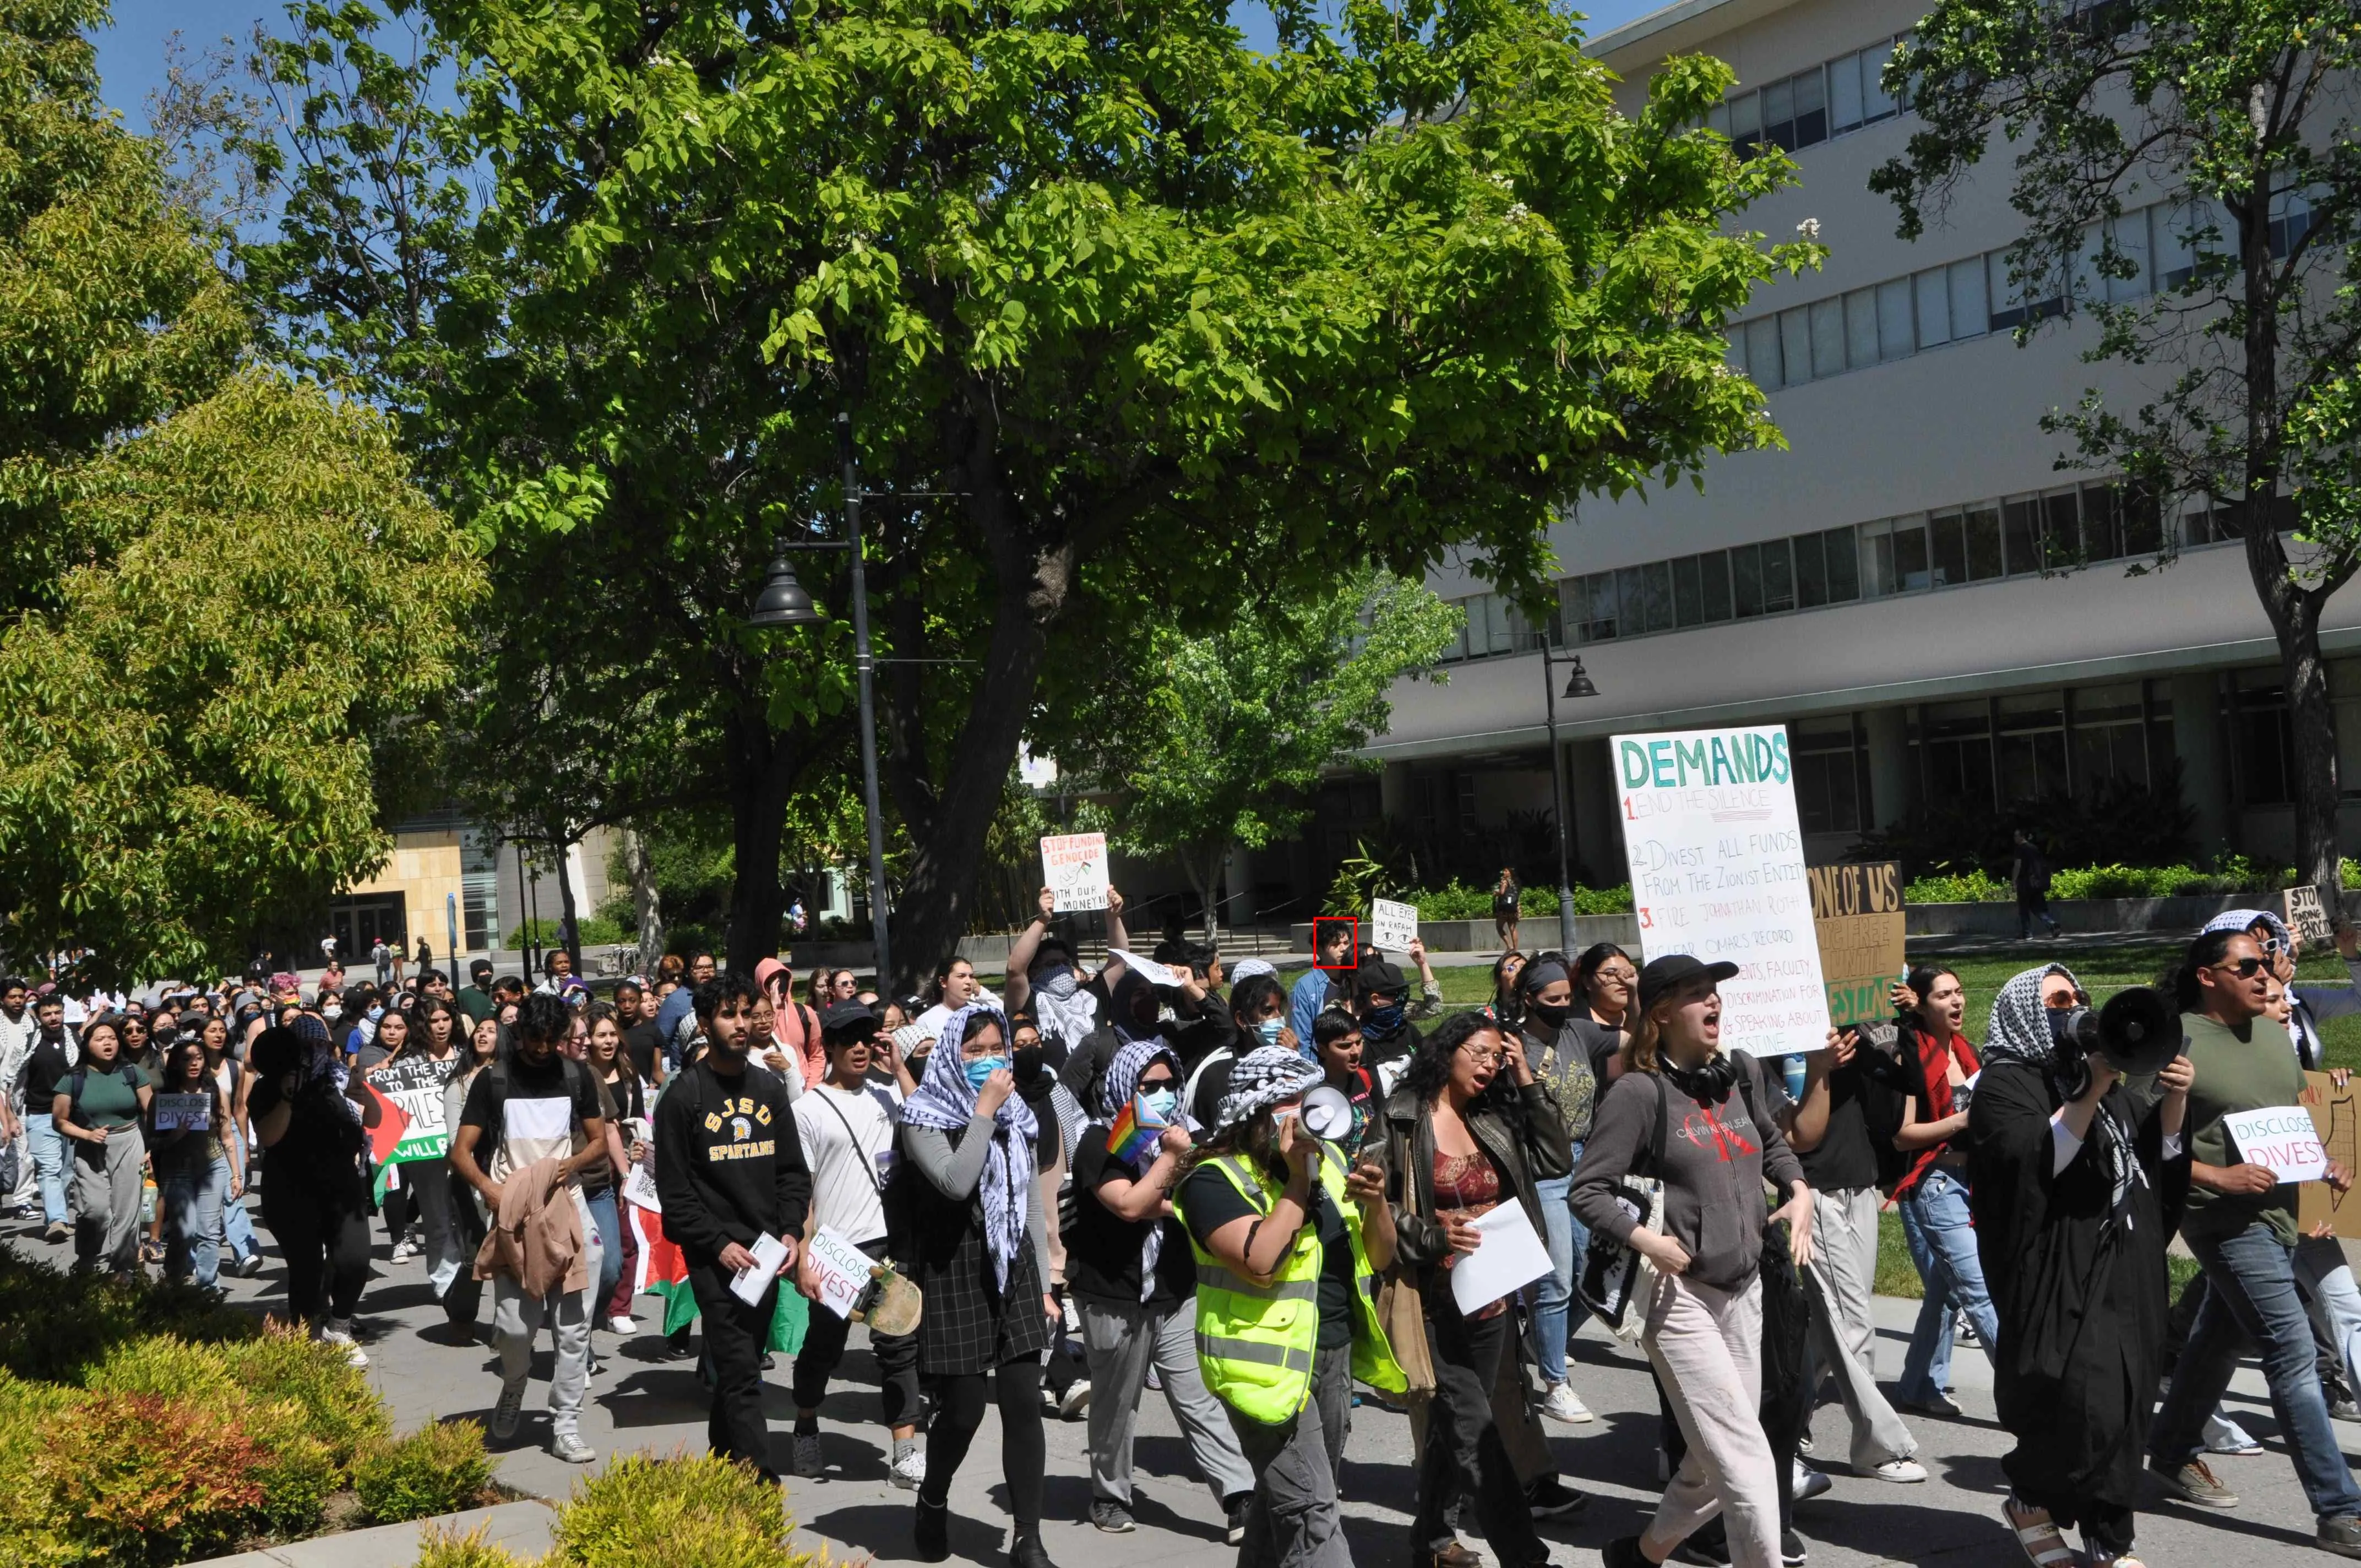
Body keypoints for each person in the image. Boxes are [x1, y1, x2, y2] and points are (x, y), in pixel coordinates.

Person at [1571, 954, 1815, 1568]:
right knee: (1746, 1456)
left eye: (1715, 992)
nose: (1714, 1002)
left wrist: (1798, 1189)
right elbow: (1587, 1190)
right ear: (1660, 1012)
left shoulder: (1737, 1074)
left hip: (1745, 1286)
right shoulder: (1637, 1092)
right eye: (1698, 994)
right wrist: (1645, 1240)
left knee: (1712, 1463)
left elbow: (1771, 1142)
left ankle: (1641, 1556)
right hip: (1676, 1294)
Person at [1951, 962, 2188, 1567]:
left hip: (2125, 1265)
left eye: (2076, 995)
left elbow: (2151, 1166)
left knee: (2130, 1404)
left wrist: (2174, 1101)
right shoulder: (2005, 1085)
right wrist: (2089, 1092)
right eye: (2058, 999)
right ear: (2027, 1010)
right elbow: (2032, 1167)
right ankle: (2033, 1499)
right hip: (2059, 1268)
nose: (2073, 1005)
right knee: (2081, 1403)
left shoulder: (2104, 1084)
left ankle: (2108, 1538)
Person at [2145, 929, 2361, 1553]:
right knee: (2291, 1351)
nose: (2265, 975)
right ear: (2208, 976)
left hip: (2282, 1214)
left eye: (2266, 964)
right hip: (2221, 1219)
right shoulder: (2176, 1042)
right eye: (2248, 966)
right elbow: (2142, 1146)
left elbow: (2284, 1119)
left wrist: (2319, 1166)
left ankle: (2169, 1450)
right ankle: (2340, 1509)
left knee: (2220, 1336)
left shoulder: (2271, 1035)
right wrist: (2218, 1176)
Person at [1175, 1045, 1403, 1568]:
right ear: (1256, 1112)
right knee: (1312, 1514)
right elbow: (1260, 1262)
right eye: (1290, 1101)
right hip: (1263, 1373)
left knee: (1286, 1500)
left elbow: (1378, 1256)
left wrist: (1375, 1205)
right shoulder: (1214, 1179)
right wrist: (1299, 1183)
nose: (1306, 1113)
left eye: (1310, 1097)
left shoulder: (1333, 1160)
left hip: (1330, 1352)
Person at [1384, 1011, 1570, 1568]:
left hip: (1491, 1298)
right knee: (1477, 1435)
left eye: (1498, 1056)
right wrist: (1436, 1236)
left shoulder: (1493, 1114)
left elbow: (1555, 1158)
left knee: (1455, 1428)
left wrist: (1527, 1081)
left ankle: (1431, 1540)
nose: (1490, 1065)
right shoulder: (1402, 1116)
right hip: (1431, 1301)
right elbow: (1375, 1206)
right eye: (1480, 1053)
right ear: (1448, 1051)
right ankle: (1526, 1558)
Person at [895, 1004, 1060, 1567]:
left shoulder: (1017, 1114)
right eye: (974, 1051)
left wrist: (1044, 1282)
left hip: (1013, 1268)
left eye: (995, 1049)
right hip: (954, 1269)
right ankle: (933, 1496)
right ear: (950, 1055)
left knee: (1022, 1403)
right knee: (964, 1411)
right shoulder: (923, 1114)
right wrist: (984, 1110)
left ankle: (1028, 1538)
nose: (988, 1061)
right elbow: (955, 1181)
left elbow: (1028, 1201)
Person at [1070, 1038, 1255, 1538]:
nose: (1165, 1094)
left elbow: (1213, 1191)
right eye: (1150, 1086)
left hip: (1174, 1293)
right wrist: (1173, 1160)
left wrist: (1178, 1175)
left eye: (1171, 1083)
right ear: (1124, 1088)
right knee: (1116, 1404)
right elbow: (1129, 1205)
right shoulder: (1100, 1141)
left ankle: (1240, 1496)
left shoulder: (1190, 1133)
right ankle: (1110, 1496)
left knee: (1200, 1398)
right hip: (1114, 1296)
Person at [652, 972, 810, 1473]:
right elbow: (675, 1194)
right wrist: (718, 1244)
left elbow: (792, 1173)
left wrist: (791, 1232)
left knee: (737, 1367)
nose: (742, 1024)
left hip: (765, 1256)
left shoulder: (768, 1088)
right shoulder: (684, 1097)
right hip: (715, 1259)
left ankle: (721, 1468)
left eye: (747, 1013)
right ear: (704, 1023)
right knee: (742, 1370)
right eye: (728, 1015)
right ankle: (758, 1483)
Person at [449, 991, 610, 1464]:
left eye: (551, 1039)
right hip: (514, 1216)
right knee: (515, 1329)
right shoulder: (493, 1080)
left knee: (574, 1330)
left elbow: (599, 1142)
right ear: (518, 1033)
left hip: (568, 1208)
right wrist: (490, 1190)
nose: (542, 1048)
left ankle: (566, 1424)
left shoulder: (577, 1075)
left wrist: (570, 1166)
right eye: (534, 1038)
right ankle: (514, 1385)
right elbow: (460, 1152)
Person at [1784, 1011, 1926, 1484]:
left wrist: (1901, 1029)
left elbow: (1903, 1092)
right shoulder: (1779, 1041)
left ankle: (1781, 1420)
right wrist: (1819, 1067)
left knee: (1830, 1328)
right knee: (1852, 1323)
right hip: (1815, 1192)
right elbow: (1793, 1133)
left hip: (1860, 1183)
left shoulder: (1857, 1034)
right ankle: (1878, 1447)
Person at [787, 1000, 923, 1487]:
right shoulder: (807, 1110)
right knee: (824, 1348)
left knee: (898, 1345)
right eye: (849, 1040)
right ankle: (805, 1425)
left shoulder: (889, 1096)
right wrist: (803, 1259)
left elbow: (926, 1120)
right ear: (829, 1046)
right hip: (836, 1252)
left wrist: (900, 1067)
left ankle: (905, 1452)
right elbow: (801, 1192)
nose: (861, 1047)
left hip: (889, 1243)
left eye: (868, 1038)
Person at [1889, 967, 1999, 1416]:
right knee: (1980, 1291)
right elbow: (1902, 1136)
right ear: (1920, 1004)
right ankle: (2032, 1399)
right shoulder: (1909, 1055)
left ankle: (1919, 1385)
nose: (1957, 1001)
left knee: (1946, 1291)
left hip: (1972, 1181)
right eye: (1944, 995)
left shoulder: (1966, 1051)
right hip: (1934, 1185)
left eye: (1959, 991)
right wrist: (1960, 1122)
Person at [249, 1016, 382, 1362]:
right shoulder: (268, 1086)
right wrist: (287, 1097)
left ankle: (339, 1327)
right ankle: (305, 1338)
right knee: (306, 1269)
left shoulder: (339, 1079)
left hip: (342, 1188)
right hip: (291, 1190)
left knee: (355, 1260)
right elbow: (269, 1137)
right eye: (305, 1045)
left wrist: (363, 1094)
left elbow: (374, 1120)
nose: (314, 1051)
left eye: (320, 1043)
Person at [1514, 952, 1599, 1427]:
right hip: (1543, 1168)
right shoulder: (1514, 1046)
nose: (1564, 1005)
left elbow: (1638, 1036)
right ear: (1530, 999)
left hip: (1584, 1161)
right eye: (1553, 999)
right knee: (1557, 1279)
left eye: (1568, 996)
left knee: (1594, 1275)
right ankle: (1555, 1384)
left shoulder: (1578, 1033)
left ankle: (1538, 1340)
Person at [52, 1014, 151, 1278]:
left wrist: (152, 1148)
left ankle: (123, 1269)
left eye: (112, 1038)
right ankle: (86, 1260)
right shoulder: (73, 1078)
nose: (108, 1043)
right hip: (90, 1148)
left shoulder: (132, 1072)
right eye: (100, 1039)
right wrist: (86, 1135)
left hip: (130, 1142)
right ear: (87, 1045)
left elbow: (151, 1112)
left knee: (127, 1212)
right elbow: (59, 1121)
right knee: (95, 1211)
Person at [580, 1001, 643, 1339]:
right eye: (600, 1035)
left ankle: (620, 1308)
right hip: (589, 1169)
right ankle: (586, 1309)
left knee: (626, 1241)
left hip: (626, 1163)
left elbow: (638, 1120)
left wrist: (637, 1152)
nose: (608, 1041)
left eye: (612, 1035)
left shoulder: (629, 1073)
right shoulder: (581, 1074)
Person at [150, 1035, 233, 1288]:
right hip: (177, 1170)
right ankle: (173, 1279)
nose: (194, 1063)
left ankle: (208, 1287)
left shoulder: (214, 1092)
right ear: (176, 1063)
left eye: (199, 1058)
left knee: (209, 1232)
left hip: (212, 1166)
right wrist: (174, 1136)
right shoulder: (163, 1097)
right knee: (185, 1231)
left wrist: (237, 1174)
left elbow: (227, 1135)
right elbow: (152, 1142)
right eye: (187, 1059)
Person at [198, 1011, 264, 1277]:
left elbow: (240, 1108)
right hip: (202, 1135)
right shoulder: (193, 1065)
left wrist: (245, 1145)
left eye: (221, 1030)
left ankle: (246, 1253)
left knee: (233, 1191)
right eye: (212, 1030)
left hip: (231, 1133)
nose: (218, 1035)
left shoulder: (236, 1067)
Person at [16, 992, 78, 1242]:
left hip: (72, 1116)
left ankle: (56, 1215)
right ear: (39, 1017)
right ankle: (57, 1221)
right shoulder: (31, 1042)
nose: (53, 1018)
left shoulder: (75, 1040)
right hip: (40, 1113)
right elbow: (14, 1077)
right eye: (47, 1014)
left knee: (66, 1172)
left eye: (57, 1013)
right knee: (49, 1170)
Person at [1290, 922, 1357, 1046]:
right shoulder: (1306, 987)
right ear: (1319, 950)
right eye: (1335, 944)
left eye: (1346, 943)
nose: (1343, 949)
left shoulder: (1357, 977)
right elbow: (1303, 1040)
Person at [2010, 829, 2060, 939]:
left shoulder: (2020, 849)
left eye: (2016, 836)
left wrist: (2014, 881)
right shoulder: (2034, 848)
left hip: (2025, 882)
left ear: (2022, 837)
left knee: (2024, 909)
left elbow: (2018, 865)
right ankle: (2052, 924)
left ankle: (2027, 933)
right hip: (2036, 883)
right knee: (2037, 908)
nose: (2014, 838)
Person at [457, 959, 499, 1027]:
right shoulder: (464, 994)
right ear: (476, 975)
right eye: (484, 971)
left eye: (490, 971)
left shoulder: (497, 991)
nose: (488, 973)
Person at [1493, 867, 1521, 954]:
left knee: (1499, 927)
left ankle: (1509, 946)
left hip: (1504, 909)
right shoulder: (1515, 883)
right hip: (1513, 908)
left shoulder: (1505, 881)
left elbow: (1502, 892)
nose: (1504, 872)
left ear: (1510, 873)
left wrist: (1496, 893)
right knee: (1513, 929)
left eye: (1506, 871)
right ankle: (1515, 950)